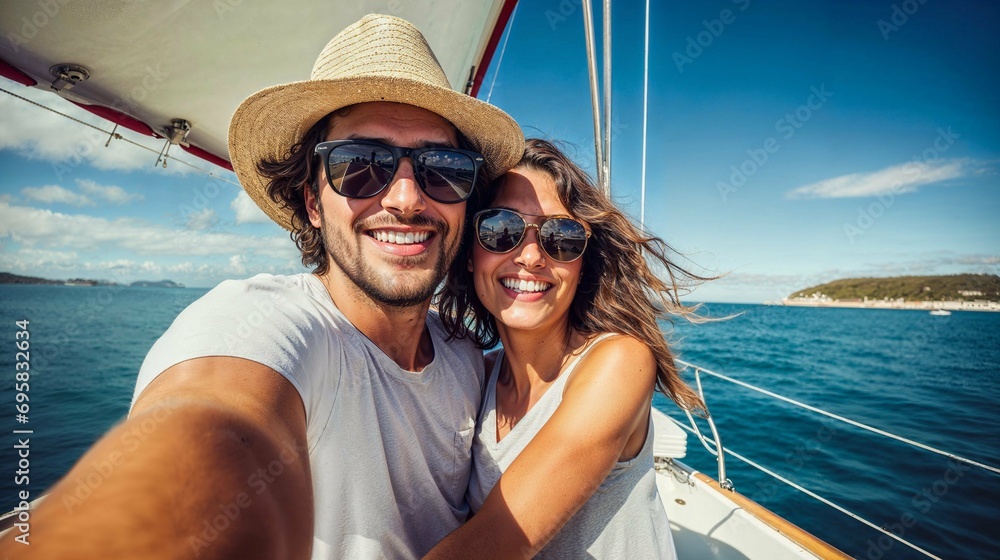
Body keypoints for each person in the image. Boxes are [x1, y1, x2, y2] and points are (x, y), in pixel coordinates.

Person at [0, 14, 522, 559]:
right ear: (313, 203)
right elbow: (212, 430)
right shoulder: (263, 326)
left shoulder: (466, 355)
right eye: (361, 165)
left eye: (444, 168)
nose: (408, 199)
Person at [430, 139, 710, 558]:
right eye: (499, 229)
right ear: (471, 253)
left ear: (583, 261)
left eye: (560, 237)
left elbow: (494, 543)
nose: (530, 257)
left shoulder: (619, 362)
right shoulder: (479, 376)